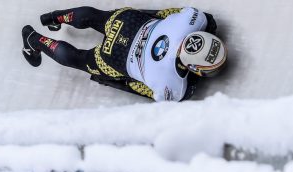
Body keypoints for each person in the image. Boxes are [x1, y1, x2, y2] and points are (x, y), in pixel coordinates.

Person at [21, 6, 227, 102]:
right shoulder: (176, 87)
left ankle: (54, 18)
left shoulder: (196, 19)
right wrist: (114, 80)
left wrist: (141, 19)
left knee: (96, 17)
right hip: (116, 58)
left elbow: (163, 13)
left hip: (130, 22)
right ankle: (34, 40)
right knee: (79, 59)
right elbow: (139, 87)